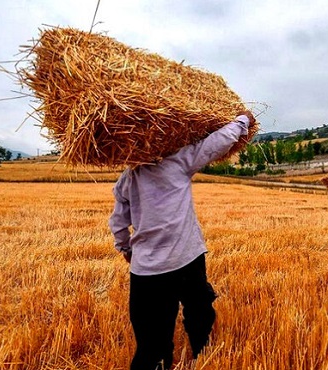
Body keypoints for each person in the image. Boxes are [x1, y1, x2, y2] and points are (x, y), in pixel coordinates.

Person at [108, 111, 255, 370]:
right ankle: (202, 354)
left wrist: (125, 248)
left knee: (151, 341)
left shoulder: (127, 178)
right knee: (199, 312)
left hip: (147, 271)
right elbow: (217, 142)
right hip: (187, 258)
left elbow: (119, 223)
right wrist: (243, 120)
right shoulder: (179, 161)